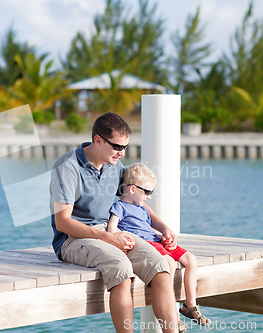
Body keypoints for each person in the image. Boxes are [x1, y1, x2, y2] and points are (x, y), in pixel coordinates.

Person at [50, 112, 184, 333]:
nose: (122, 153)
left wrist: (161, 226)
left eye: (125, 147)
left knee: (161, 265)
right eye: (117, 147)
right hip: (73, 239)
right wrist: (108, 237)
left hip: (110, 233)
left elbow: (133, 199)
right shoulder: (68, 167)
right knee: (121, 268)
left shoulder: (114, 167)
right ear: (98, 140)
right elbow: (63, 222)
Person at [107, 163, 211, 327]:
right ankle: (172, 315)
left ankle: (190, 305)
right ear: (132, 189)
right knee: (168, 263)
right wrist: (115, 238)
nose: (149, 196)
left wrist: (165, 235)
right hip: (146, 244)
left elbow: (149, 227)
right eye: (147, 192)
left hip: (156, 240)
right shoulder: (120, 207)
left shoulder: (141, 207)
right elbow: (112, 227)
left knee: (191, 259)